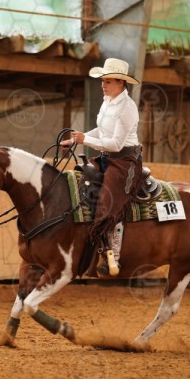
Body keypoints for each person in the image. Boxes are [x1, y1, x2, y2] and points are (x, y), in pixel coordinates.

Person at [60, 58, 142, 277]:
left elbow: (116, 144)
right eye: (103, 80)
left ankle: (114, 255)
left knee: (109, 201)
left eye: (107, 81)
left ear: (121, 82)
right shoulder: (108, 101)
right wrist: (76, 140)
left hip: (125, 161)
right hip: (107, 157)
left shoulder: (127, 108)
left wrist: (84, 140)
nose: (102, 85)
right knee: (80, 184)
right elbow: (102, 130)